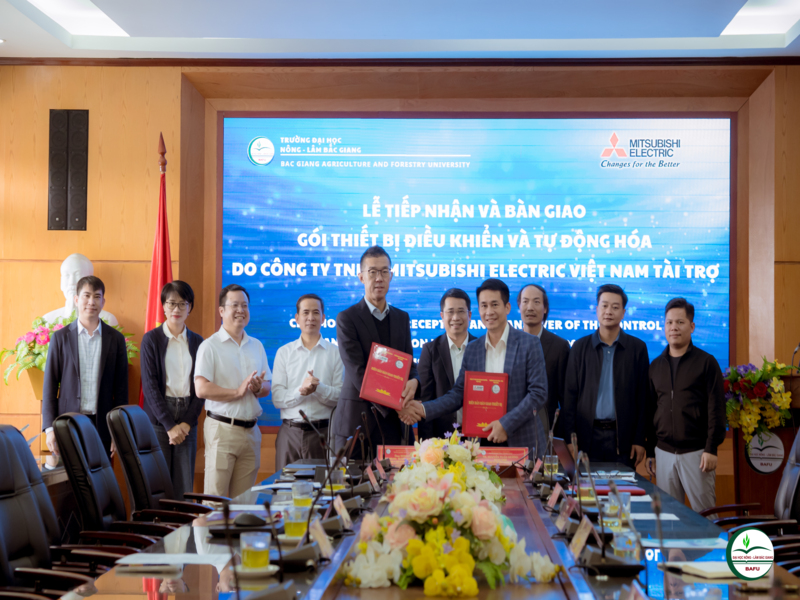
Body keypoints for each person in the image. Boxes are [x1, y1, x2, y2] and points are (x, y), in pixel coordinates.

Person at [401, 279, 547, 454]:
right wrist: (424, 409)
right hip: (481, 445)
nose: (489, 311)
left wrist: (505, 424)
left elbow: (538, 393)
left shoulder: (529, 344)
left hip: (522, 442)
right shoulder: (473, 349)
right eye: (484, 306)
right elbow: (458, 393)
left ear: (507, 307)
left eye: (495, 304)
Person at [331, 246, 419, 461]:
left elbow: (408, 362)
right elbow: (358, 373)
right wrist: (398, 406)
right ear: (361, 277)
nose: (379, 278)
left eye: (384, 271)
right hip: (357, 423)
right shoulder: (347, 318)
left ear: (391, 276)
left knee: (397, 481)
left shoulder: (401, 318)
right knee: (352, 481)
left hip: (394, 425)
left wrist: (415, 380)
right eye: (372, 272)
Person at [646, 298, 726, 513]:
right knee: (669, 518)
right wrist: (651, 451)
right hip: (663, 453)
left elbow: (717, 409)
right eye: (669, 322)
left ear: (692, 326)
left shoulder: (706, 362)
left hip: (697, 453)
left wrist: (711, 448)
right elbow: (651, 410)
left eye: (680, 322)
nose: (674, 327)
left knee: (705, 517)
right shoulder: (655, 366)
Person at [195, 284, 271, 499]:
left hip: (251, 432)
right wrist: (237, 392)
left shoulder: (256, 345)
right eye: (235, 305)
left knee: (244, 504)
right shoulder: (210, 346)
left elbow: (267, 386)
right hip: (222, 430)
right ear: (221, 311)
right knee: (215, 502)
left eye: (245, 305)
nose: (241, 310)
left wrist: (258, 388)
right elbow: (201, 388)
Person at [562, 284, 650, 467]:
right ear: (597, 309)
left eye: (615, 307)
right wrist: (569, 438)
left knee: (623, 485)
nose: (609, 311)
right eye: (604, 306)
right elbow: (569, 397)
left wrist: (640, 439)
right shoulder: (580, 348)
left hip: (623, 439)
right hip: (586, 438)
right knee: (586, 485)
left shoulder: (637, 349)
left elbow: (643, 399)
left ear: (623, 313)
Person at [42, 275, 128, 458]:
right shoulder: (60, 338)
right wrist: (49, 428)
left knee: (101, 475)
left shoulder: (116, 339)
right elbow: (50, 386)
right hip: (68, 423)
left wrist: (118, 430)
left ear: (103, 302)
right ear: (76, 299)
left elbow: (121, 389)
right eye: (86, 296)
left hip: (103, 425)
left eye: (97, 297)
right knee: (70, 475)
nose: (91, 302)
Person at [140, 281, 204, 500]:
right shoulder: (151, 339)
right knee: (158, 484)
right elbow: (149, 386)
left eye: (182, 304)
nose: (177, 309)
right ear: (163, 306)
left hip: (188, 416)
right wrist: (169, 425)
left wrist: (187, 422)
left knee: (184, 487)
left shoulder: (198, 342)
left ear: (190, 307)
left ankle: (183, 524)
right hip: (159, 417)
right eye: (171, 303)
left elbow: (200, 387)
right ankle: (159, 524)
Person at [271, 294, 343, 471]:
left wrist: (318, 388)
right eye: (305, 313)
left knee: (322, 487)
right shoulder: (284, 352)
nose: (311, 317)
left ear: (323, 318)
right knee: (285, 486)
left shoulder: (336, 353)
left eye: (316, 313)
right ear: (297, 318)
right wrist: (300, 391)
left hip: (323, 434)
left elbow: (341, 397)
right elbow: (277, 398)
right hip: (290, 434)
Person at [417, 288, 477, 440]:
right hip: (441, 439)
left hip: (476, 436)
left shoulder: (481, 348)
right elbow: (425, 399)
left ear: (469, 315)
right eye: (450, 312)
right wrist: (427, 444)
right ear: (442, 316)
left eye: (461, 311)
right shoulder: (430, 350)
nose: (455, 317)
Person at [518, 284, 570, 438]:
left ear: (545, 308)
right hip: (512, 431)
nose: (530, 307)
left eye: (536, 302)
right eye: (525, 301)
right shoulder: (509, 344)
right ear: (519, 306)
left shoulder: (560, 347)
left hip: (546, 432)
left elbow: (566, 399)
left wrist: (562, 435)